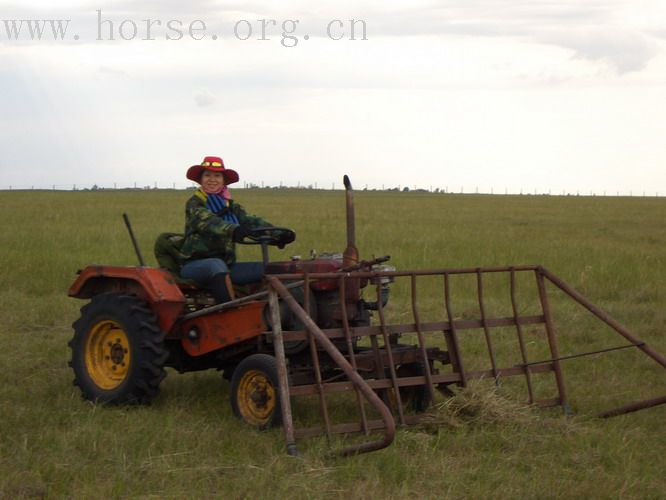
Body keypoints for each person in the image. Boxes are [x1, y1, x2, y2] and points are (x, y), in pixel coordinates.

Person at [179, 155, 294, 303]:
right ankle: (228, 313)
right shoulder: (195, 204)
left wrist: (278, 234)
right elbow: (209, 223)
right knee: (215, 265)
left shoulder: (230, 206)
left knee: (268, 269)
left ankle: (268, 313)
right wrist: (233, 230)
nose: (212, 179)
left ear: (223, 180)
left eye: (217, 175)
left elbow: (251, 222)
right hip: (195, 266)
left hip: (226, 266)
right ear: (200, 180)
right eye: (207, 175)